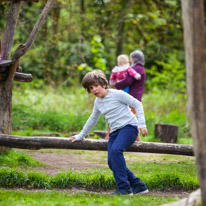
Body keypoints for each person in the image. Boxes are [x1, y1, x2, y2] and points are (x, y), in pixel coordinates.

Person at [71, 70, 149, 195]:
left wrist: (142, 124)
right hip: (115, 131)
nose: (94, 90)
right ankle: (138, 185)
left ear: (104, 84)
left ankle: (124, 188)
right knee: (112, 161)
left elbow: (137, 104)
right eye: (91, 88)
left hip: (129, 127)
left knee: (115, 151)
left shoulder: (117, 94)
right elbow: (93, 119)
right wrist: (81, 135)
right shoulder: (98, 102)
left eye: (96, 86)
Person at [115, 50, 146, 141]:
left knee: (132, 116)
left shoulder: (137, 68)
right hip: (135, 94)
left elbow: (128, 80)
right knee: (131, 116)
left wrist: (117, 85)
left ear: (135, 59)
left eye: (131, 58)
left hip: (134, 95)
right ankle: (134, 138)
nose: (130, 60)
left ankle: (137, 139)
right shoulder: (139, 68)